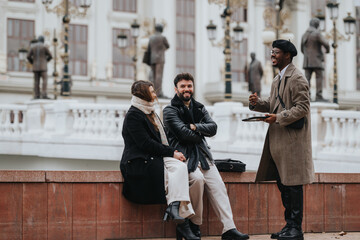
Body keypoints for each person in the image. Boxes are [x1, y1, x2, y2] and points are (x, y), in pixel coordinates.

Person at [163, 73, 249, 240]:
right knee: (197, 181)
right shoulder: (169, 110)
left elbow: (214, 128)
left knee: (219, 187)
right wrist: (200, 132)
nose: (186, 89)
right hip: (184, 158)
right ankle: (193, 225)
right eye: (183, 86)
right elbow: (183, 135)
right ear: (176, 89)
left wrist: (194, 126)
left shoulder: (200, 107)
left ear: (193, 87)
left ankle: (229, 229)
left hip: (203, 156)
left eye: (189, 86)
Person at [249, 40, 315, 240]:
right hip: (279, 142)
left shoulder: (297, 78)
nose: (272, 55)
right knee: (283, 184)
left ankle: (296, 229)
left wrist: (278, 118)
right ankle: (289, 226)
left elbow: (303, 107)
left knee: (293, 185)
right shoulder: (278, 79)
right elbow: (273, 104)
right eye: (271, 52)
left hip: (293, 143)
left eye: (276, 52)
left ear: (287, 55)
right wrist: (257, 104)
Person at [120, 80, 199, 240]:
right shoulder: (134, 115)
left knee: (180, 167)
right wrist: (172, 152)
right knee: (174, 173)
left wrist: (173, 153)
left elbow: (157, 143)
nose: (155, 94)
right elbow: (145, 144)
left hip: (153, 156)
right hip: (138, 160)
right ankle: (182, 223)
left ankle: (174, 207)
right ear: (143, 94)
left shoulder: (150, 112)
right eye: (151, 91)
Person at [301, 18, 330, 101]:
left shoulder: (304, 35)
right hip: (316, 60)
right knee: (319, 77)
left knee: (307, 79)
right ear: (316, 25)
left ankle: (307, 96)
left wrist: (307, 56)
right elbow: (326, 43)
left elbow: (302, 49)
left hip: (306, 61)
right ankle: (319, 95)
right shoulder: (317, 34)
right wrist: (327, 50)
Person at [146, 23, 170, 97]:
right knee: (159, 76)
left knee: (153, 76)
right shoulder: (162, 37)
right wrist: (163, 48)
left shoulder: (151, 38)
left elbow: (148, 49)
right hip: (160, 58)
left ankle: (152, 91)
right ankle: (158, 92)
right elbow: (168, 46)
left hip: (152, 58)